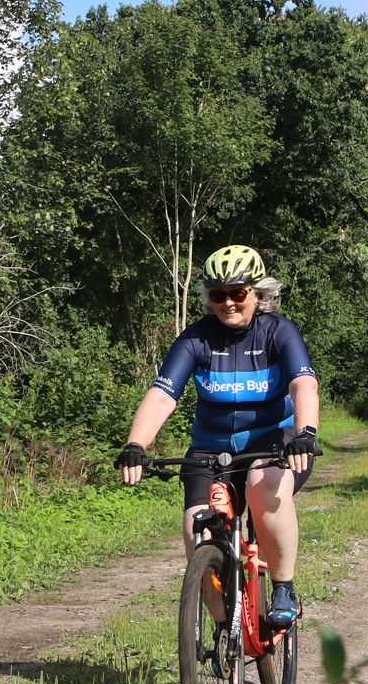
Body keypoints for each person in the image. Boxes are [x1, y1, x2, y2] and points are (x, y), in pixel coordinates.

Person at [115, 245, 320, 630]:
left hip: (274, 441)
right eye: (218, 294)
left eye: (238, 293)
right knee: (197, 527)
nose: (228, 302)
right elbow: (162, 395)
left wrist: (305, 433)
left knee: (264, 483)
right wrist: (136, 445)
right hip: (211, 447)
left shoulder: (279, 331)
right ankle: (226, 629)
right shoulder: (197, 338)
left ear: (258, 294)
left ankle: (283, 587)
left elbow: (303, 384)